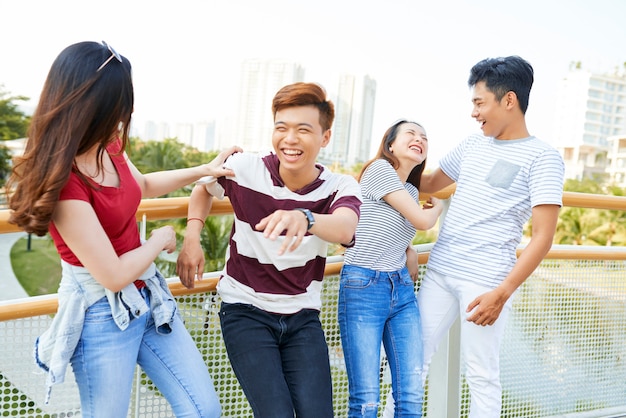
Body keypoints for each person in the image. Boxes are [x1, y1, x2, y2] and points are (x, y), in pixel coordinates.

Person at [6, 40, 241, 417]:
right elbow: (112, 275)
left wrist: (203, 170)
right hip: (101, 311)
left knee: (203, 409)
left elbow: (142, 185)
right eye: (116, 108)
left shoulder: (108, 145)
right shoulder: (65, 180)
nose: (121, 118)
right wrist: (161, 239)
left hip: (147, 297)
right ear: (89, 107)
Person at [383, 56, 565, 418]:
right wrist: (383, 169)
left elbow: (542, 238)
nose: (473, 112)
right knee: (408, 364)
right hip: (440, 271)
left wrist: (502, 292)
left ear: (508, 100)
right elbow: (427, 184)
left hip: (486, 282)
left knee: (482, 376)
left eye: (479, 103)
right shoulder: (471, 145)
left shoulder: (544, 157)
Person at [176, 82, 362, 418]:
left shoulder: (339, 186)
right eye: (282, 128)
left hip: (303, 316)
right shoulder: (245, 167)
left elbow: (346, 227)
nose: (290, 139)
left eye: (303, 130)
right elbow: (204, 190)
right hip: (244, 310)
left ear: (325, 137)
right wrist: (192, 239)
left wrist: (305, 217)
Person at [338, 119, 443, 417]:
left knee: (410, 394)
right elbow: (422, 221)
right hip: (363, 285)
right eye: (411, 133)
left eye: (424, 136)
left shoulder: (409, 190)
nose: (419, 139)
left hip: (401, 289)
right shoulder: (379, 170)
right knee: (366, 399)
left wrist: (408, 250)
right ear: (390, 145)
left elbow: (388, 226)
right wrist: (436, 208)